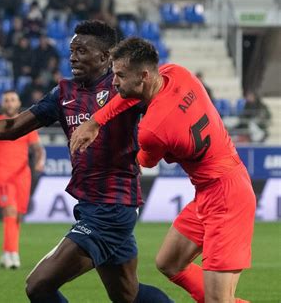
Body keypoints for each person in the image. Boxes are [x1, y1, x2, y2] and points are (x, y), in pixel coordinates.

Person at [0, 20, 172, 303]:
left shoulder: (123, 87)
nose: (73, 57)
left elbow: (166, 103)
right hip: (90, 205)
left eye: (82, 51)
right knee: (129, 296)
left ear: (105, 57)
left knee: (38, 285)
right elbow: (12, 128)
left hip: (113, 206)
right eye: (71, 51)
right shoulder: (64, 93)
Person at [69, 37, 255, 303]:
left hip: (227, 197)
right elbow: (130, 97)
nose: (114, 81)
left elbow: (143, 161)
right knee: (169, 262)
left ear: (143, 76)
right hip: (213, 187)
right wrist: (96, 120)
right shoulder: (177, 73)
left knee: (218, 300)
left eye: (120, 75)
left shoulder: (153, 129)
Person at [0, 90, 45, 269]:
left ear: (18, 102)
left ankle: (9, 252)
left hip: (23, 176)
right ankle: (11, 254)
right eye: (6, 100)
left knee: (19, 216)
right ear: (3, 103)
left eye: (12, 100)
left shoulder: (25, 124)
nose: (9, 103)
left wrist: (40, 160)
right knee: (10, 212)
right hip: (3, 176)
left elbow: (38, 148)